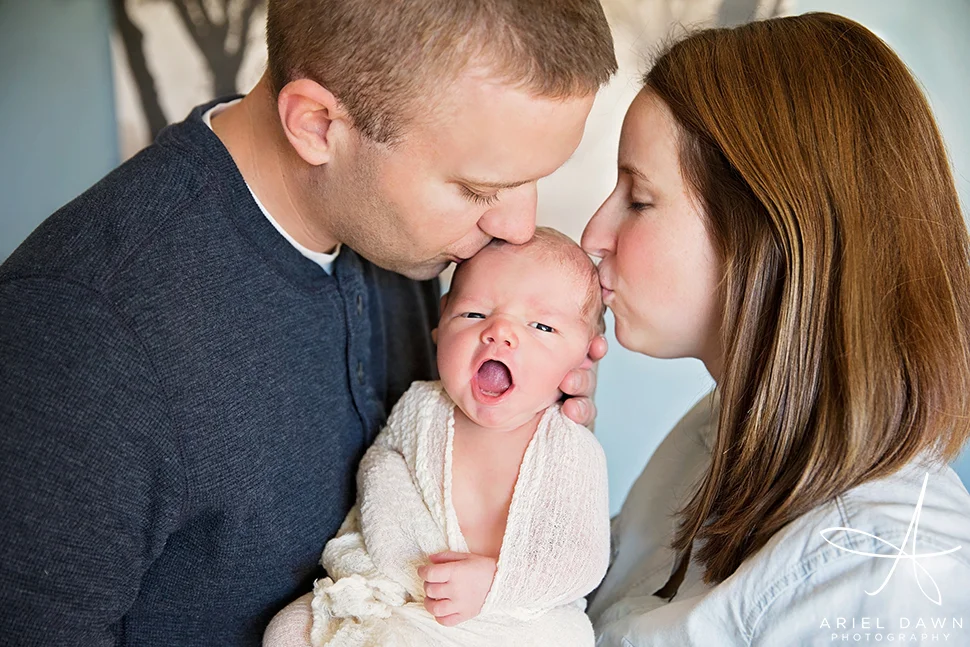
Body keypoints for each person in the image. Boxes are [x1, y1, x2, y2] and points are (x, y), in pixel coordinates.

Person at [0, 2, 616, 645]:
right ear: (317, 125)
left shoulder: (394, 236)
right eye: (477, 188)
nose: (517, 227)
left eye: (533, 180)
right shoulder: (83, 334)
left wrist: (526, 449)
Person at [579, 12, 970, 646]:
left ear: (765, 232)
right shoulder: (719, 431)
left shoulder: (882, 577)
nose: (594, 236)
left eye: (640, 200)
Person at [263, 228, 611, 647]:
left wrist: (497, 583)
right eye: (474, 314)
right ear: (441, 321)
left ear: (586, 354)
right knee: (290, 629)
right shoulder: (422, 407)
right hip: (406, 593)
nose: (500, 332)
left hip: (507, 618)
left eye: (541, 325)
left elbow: (582, 557)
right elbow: (381, 469)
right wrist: (402, 565)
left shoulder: (570, 448)